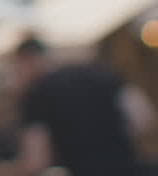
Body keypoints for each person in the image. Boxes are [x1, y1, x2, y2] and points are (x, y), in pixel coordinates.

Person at [11, 36, 154, 176]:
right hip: (128, 168)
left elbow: (37, 160)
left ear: (26, 60)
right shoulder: (101, 73)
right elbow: (143, 117)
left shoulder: (35, 95)